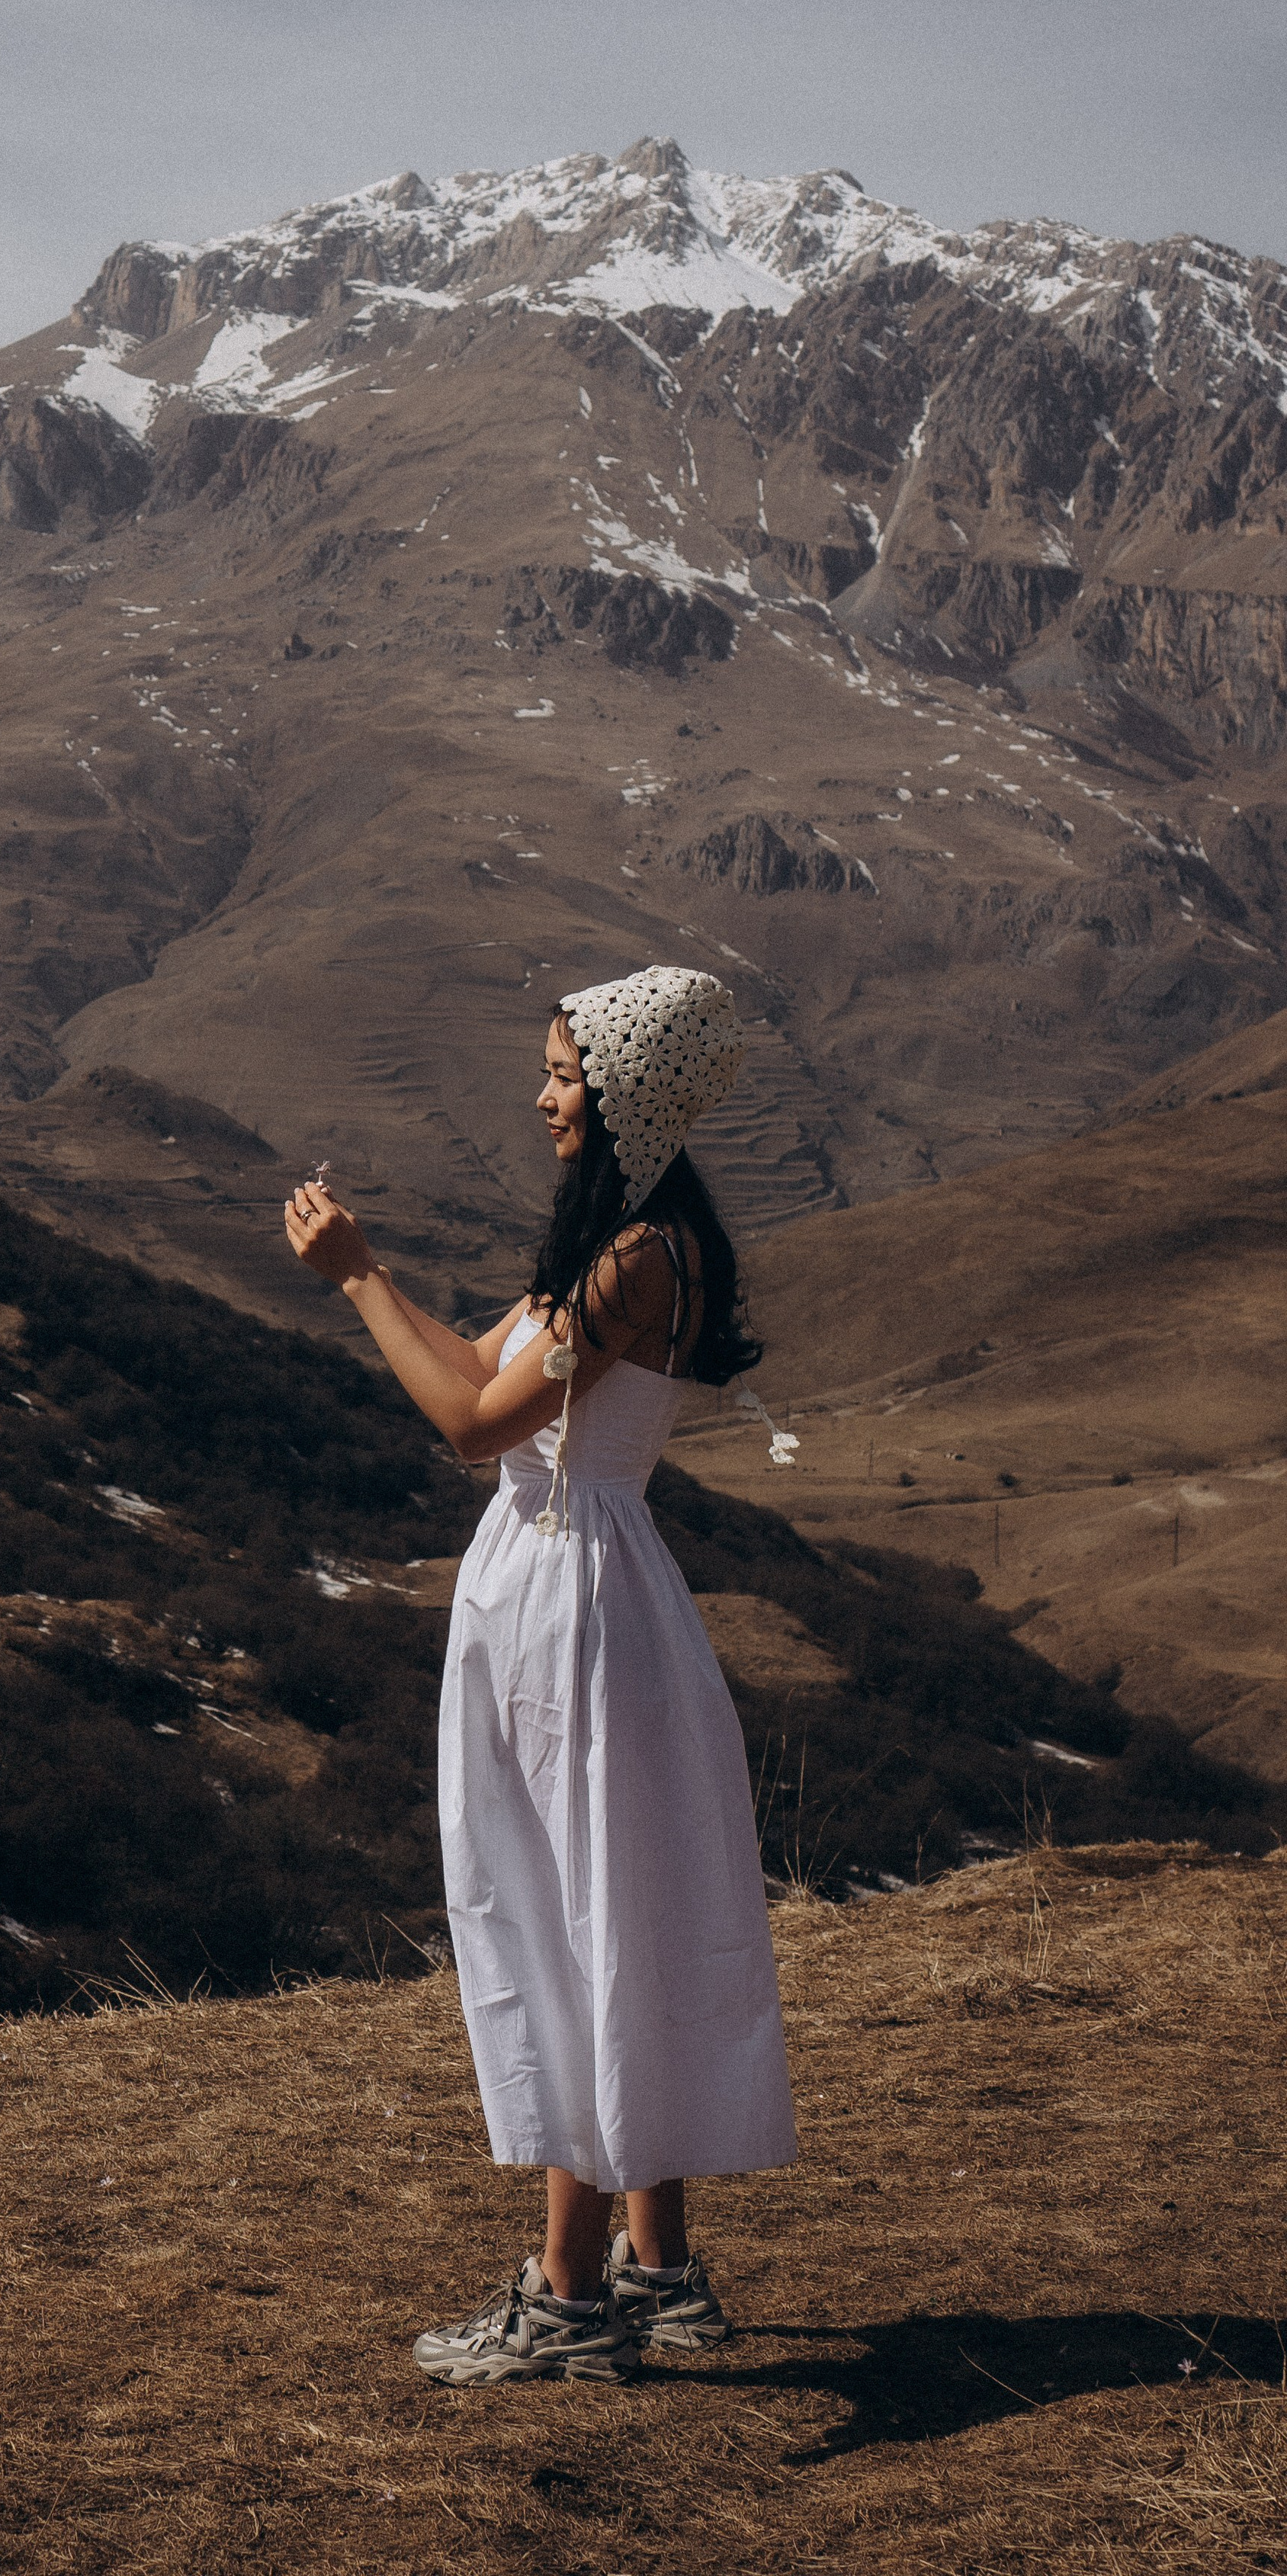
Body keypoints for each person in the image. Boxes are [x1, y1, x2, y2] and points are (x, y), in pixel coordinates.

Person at [284, 964, 796, 2387]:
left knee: (573, 1924)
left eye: (566, 1073)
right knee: (607, 1904)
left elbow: (465, 1423)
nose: (544, 1095)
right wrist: (385, 1289)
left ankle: (568, 2297)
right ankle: (659, 2264)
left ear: (626, 1091)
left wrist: (357, 1279)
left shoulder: (634, 1262)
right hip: (572, 1589)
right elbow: (487, 1372)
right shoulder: (628, 1245)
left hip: (573, 1602)